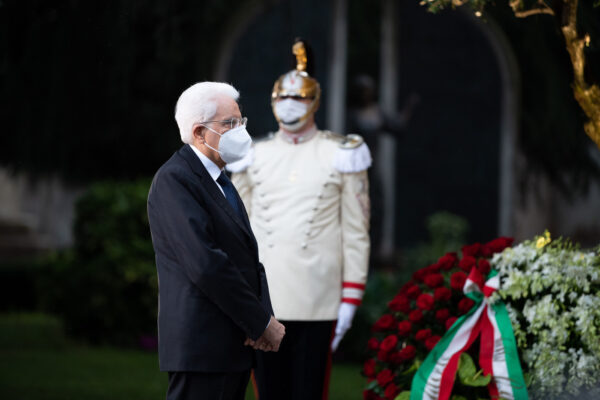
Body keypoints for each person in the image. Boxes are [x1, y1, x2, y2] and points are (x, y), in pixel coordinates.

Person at [228, 40, 371, 400]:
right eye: (281, 97)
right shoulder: (252, 155)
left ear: (316, 102)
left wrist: (351, 296)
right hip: (264, 298)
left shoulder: (342, 153)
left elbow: (356, 232)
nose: (290, 105)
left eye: (301, 98)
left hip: (318, 300)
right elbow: (235, 230)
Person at [147, 81, 285, 400]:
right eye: (230, 124)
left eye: (241, 121)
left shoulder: (220, 179)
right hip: (203, 346)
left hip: (229, 343)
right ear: (199, 132)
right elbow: (206, 264)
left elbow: (247, 257)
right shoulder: (176, 179)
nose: (240, 131)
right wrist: (260, 321)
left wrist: (261, 318)